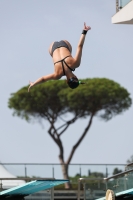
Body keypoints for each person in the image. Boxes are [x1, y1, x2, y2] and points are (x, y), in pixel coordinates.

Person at [28, 22, 91, 92]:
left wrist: (84, 31)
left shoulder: (76, 64)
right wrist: (33, 84)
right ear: (67, 81)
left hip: (65, 44)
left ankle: (66, 54)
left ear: (76, 77)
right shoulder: (57, 75)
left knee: (69, 54)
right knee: (54, 57)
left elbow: (80, 46)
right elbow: (43, 78)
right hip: (53, 47)